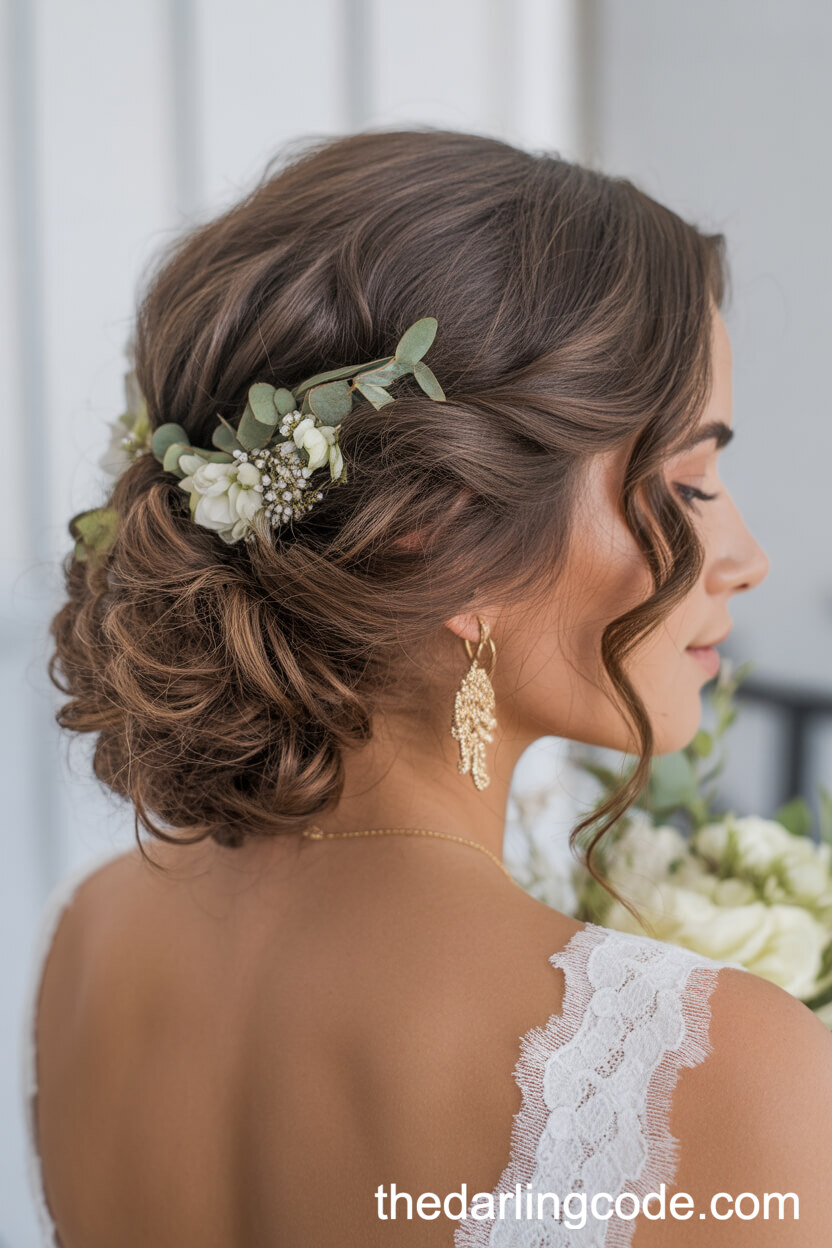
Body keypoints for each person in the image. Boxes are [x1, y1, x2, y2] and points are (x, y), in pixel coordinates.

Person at [23, 127, 832, 1247]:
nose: (746, 558)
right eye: (690, 483)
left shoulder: (93, 935)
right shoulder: (717, 1069)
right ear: (444, 531)